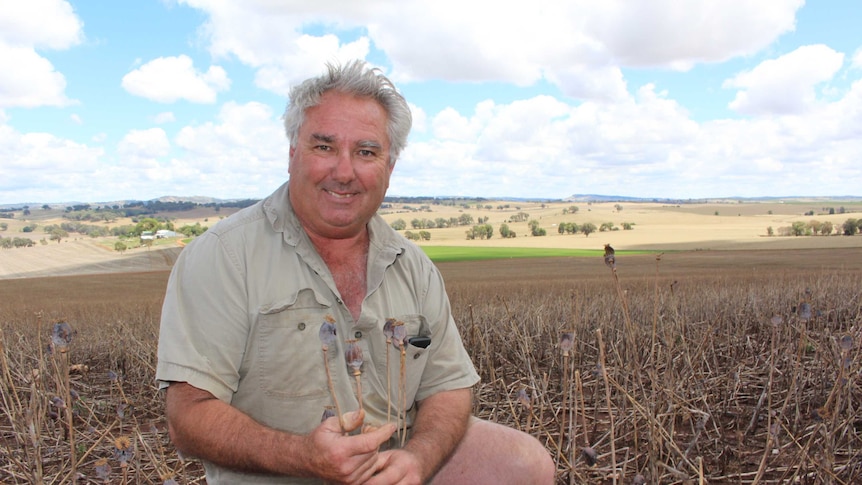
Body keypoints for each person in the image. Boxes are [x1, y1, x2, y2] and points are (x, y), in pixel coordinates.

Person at [156, 60, 555, 484]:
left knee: (523, 464)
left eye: (366, 152)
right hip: (282, 473)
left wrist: (417, 459)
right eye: (324, 147)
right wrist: (304, 456)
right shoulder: (224, 257)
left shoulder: (412, 267)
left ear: (389, 167)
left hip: (394, 468)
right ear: (293, 153)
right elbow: (189, 417)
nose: (344, 173)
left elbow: (449, 388)